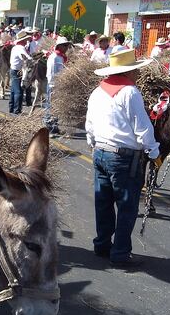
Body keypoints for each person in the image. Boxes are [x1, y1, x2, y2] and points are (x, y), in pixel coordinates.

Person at [85, 49, 161, 267]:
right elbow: (142, 127)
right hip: (124, 157)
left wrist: (92, 142)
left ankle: (102, 244)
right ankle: (120, 253)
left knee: (104, 202)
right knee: (127, 206)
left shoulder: (97, 92)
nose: (137, 74)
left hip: (100, 152)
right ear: (129, 72)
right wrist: (153, 151)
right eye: (135, 70)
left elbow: (89, 124)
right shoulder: (130, 93)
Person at [44, 36, 72, 135]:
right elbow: (51, 73)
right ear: (59, 46)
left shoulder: (62, 57)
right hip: (54, 85)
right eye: (65, 45)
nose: (66, 48)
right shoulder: (54, 57)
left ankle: (54, 127)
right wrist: (54, 85)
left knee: (57, 107)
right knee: (50, 106)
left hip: (60, 85)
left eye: (67, 46)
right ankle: (48, 128)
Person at [8, 30, 31, 114]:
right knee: (18, 91)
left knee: (14, 90)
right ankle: (17, 110)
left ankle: (12, 108)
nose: (26, 41)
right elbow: (27, 58)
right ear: (22, 40)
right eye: (25, 40)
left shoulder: (15, 47)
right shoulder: (21, 48)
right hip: (18, 71)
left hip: (13, 69)